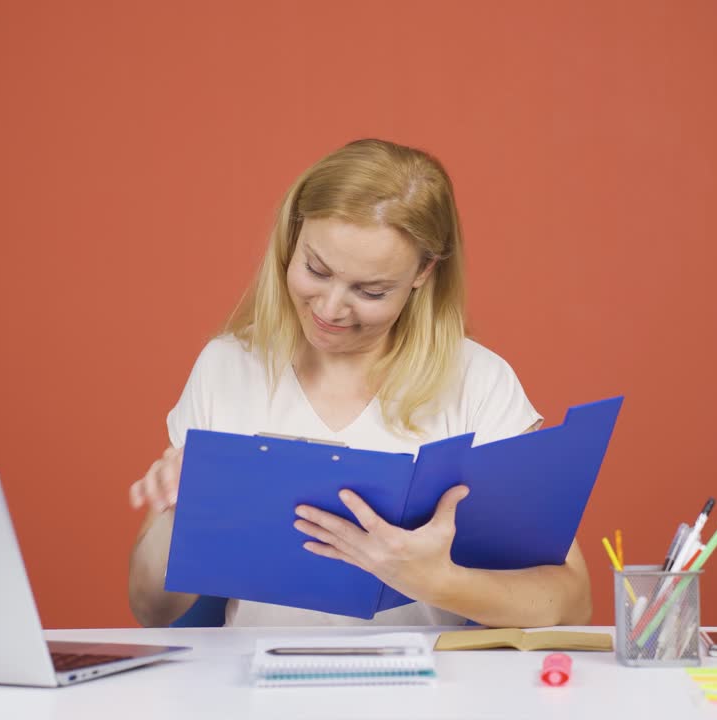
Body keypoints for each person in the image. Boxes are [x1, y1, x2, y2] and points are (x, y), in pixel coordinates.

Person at [127, 139, 591, 628]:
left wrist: (435, 581)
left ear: (423, 273)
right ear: (292, 238)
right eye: (316, 270)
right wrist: (179, 511)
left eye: (371, 291)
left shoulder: (477, 382)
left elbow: (571, 602)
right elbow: (150, 609)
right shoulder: (227, 369)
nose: (329, 310)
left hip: (429, 697)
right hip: (264, 693)